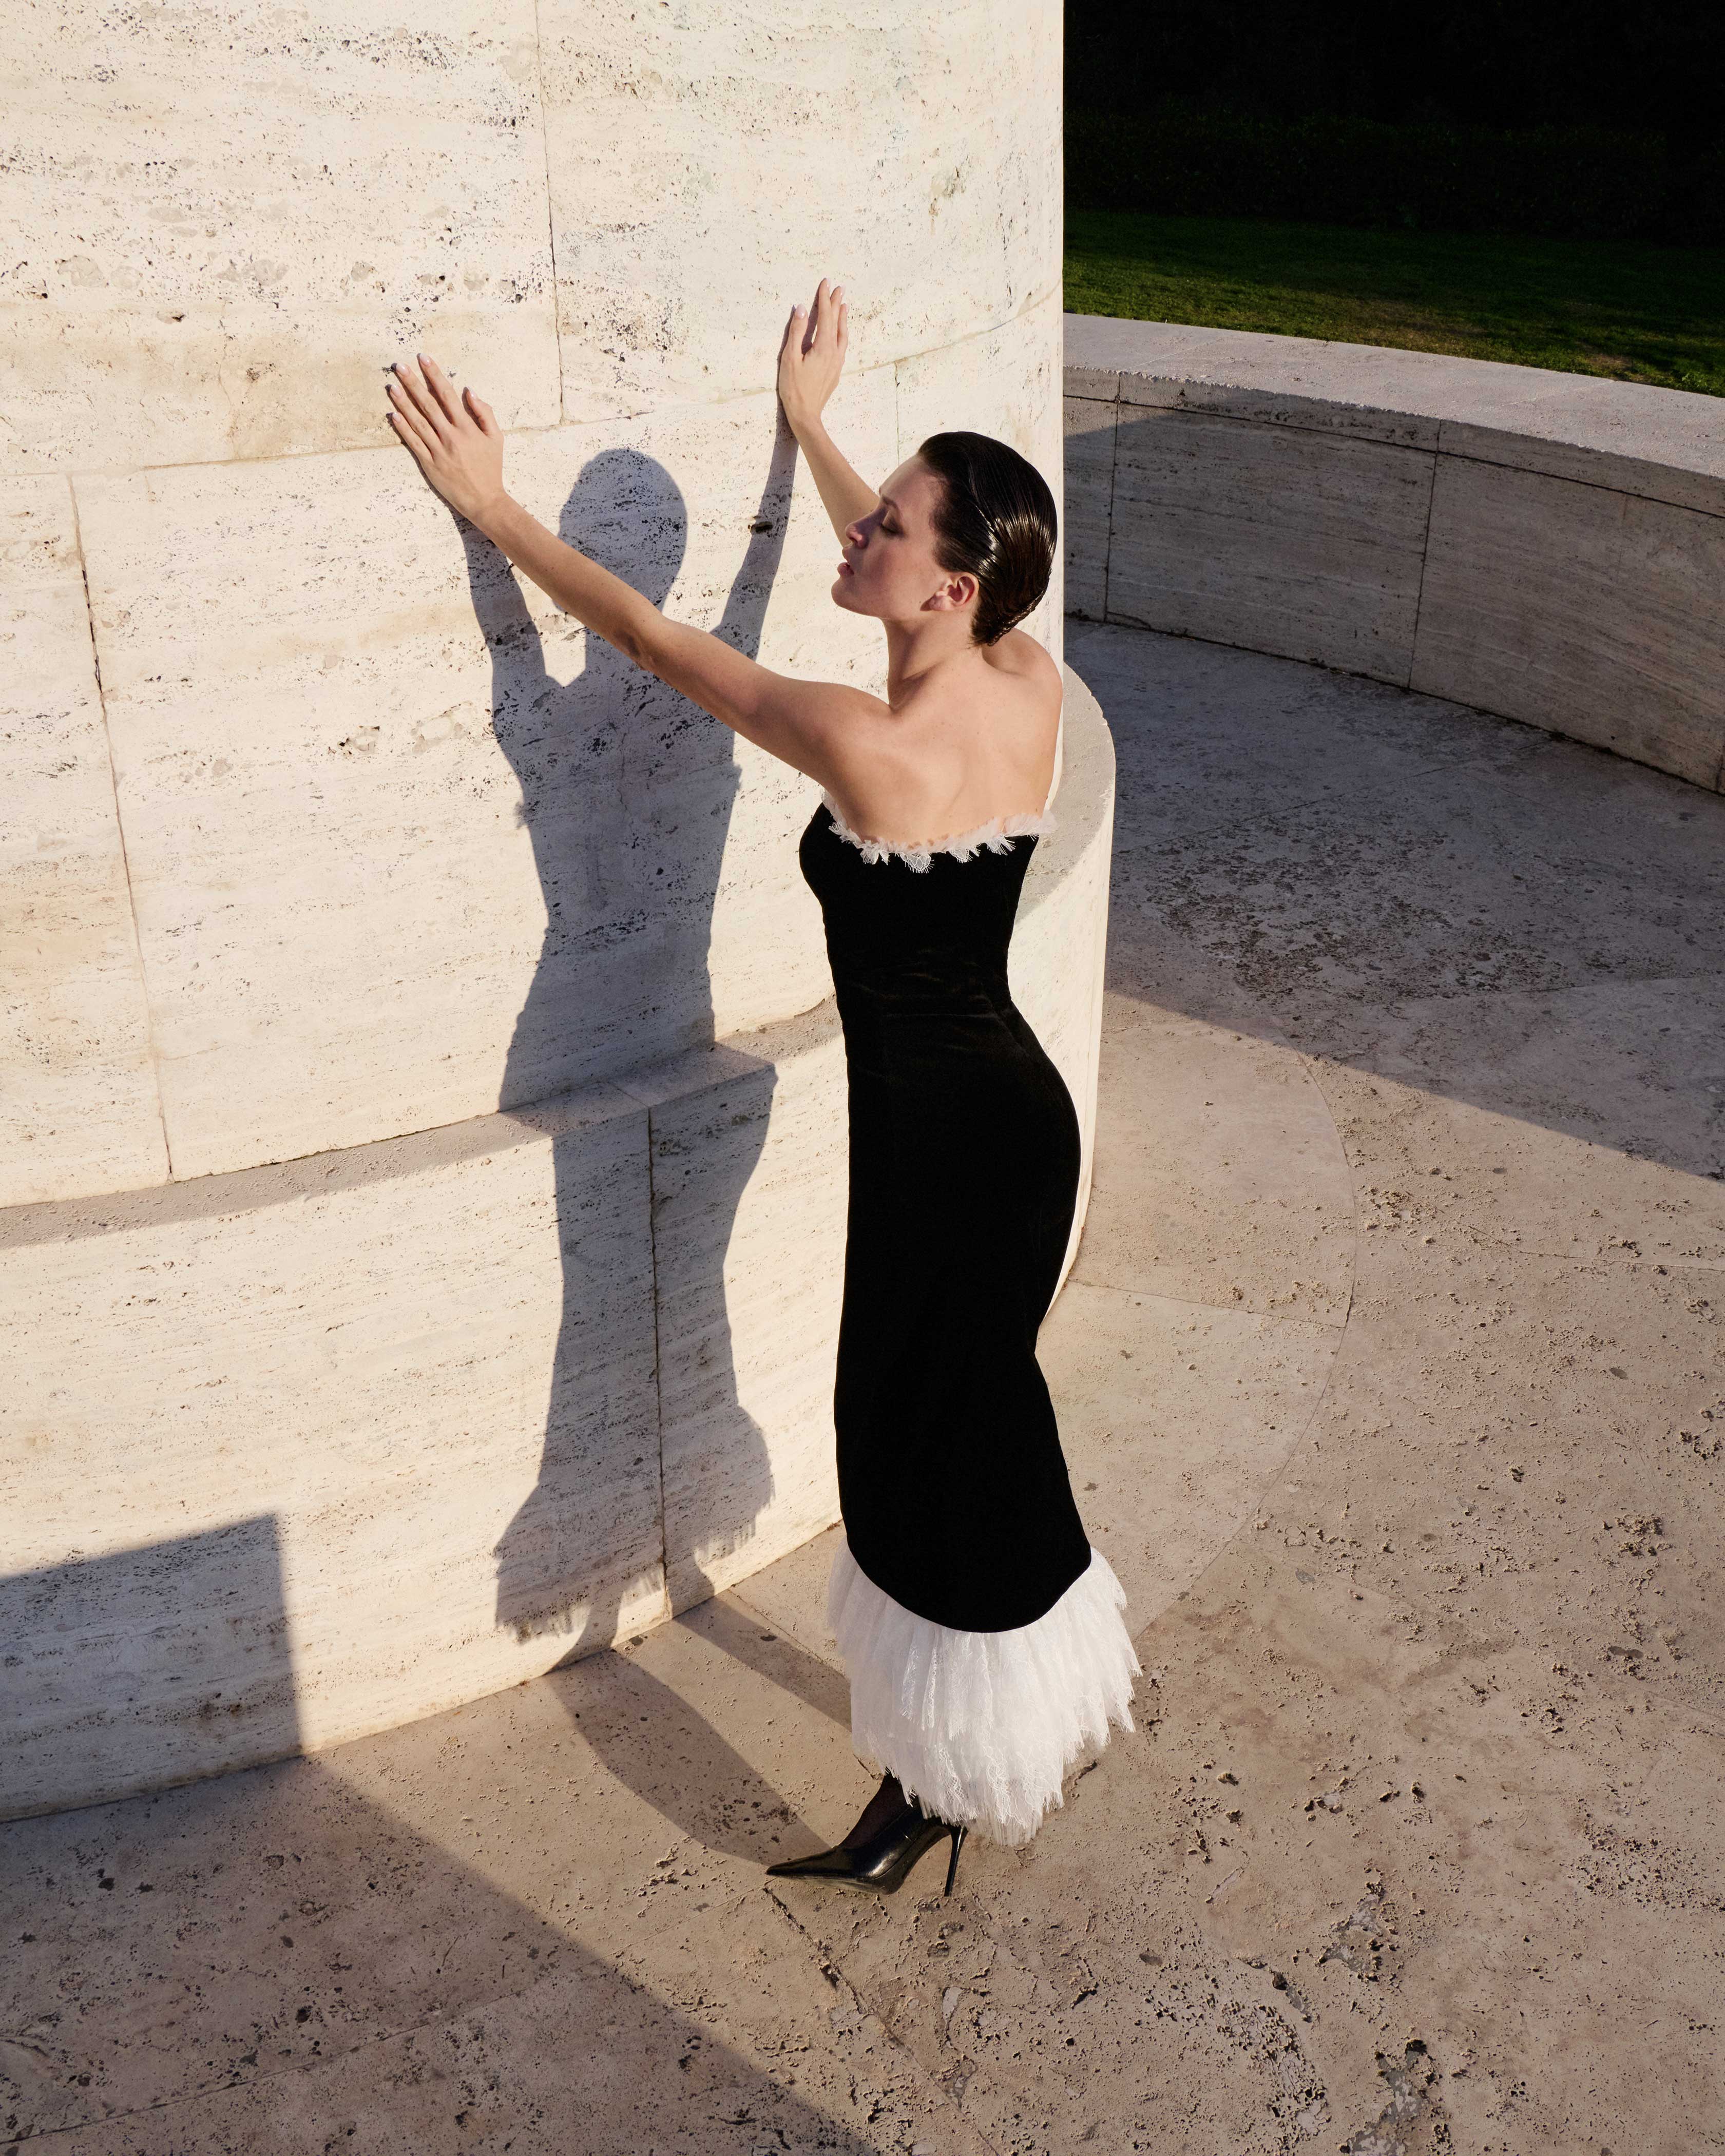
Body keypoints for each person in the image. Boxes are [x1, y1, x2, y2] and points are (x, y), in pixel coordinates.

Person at [387, 276, 1141, 1899]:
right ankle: (940, 1772)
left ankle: (936, 1781)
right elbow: (915, 570)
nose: (859, 528)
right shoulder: (1019, 677)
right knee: (971, 1426)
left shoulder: (869, 745)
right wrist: (810, 424)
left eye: (889, 524)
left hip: (943, 1153)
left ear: (948, 587)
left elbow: (652, 640)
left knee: (911, 1449)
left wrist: (492, 507)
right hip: (1012, 1130)